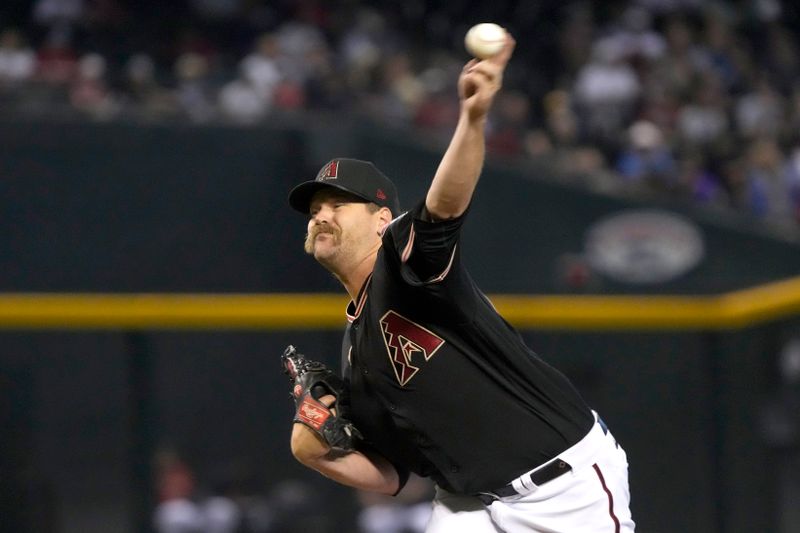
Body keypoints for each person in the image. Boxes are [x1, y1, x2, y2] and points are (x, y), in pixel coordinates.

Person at [285, 31, 635, 532]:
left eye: (338, 204)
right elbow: (395, 477)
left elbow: (443, 208)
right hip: (465, 505)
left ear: (383, 219)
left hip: (561, 489)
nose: (321, 216)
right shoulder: (356, 357)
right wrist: (317, 455)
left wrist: (472, 120)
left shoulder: (404, 267)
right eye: (315, 210)